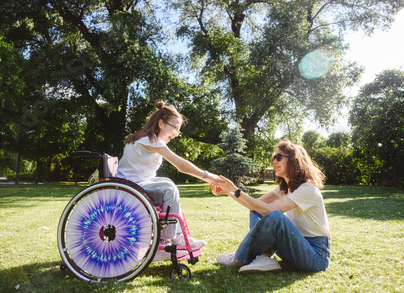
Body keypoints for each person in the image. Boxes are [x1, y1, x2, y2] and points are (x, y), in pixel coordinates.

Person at [115, 101, 222, 251]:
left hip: (135, 183)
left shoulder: (149, 140)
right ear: (161, 123)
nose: (177, 133)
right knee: (169, 187)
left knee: (166, 183)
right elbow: (181, 165)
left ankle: (175, 236)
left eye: (178, 130)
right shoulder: (149, 140)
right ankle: (169, 238)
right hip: (131, 186)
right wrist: (210, 177)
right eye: (175, 128)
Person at [212, 140, 331, 273]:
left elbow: (268, 210)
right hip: (297, 244)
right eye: (274, 158)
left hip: (316, 257)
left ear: (294, 161)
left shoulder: (308, 189)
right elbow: (253, 206)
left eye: (279, 158)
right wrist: (229, 191)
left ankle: (239, 257)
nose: (274, 162)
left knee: (275, 216)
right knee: (256, 211)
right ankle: (265, 257)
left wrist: (236, 190)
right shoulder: (285, 188)